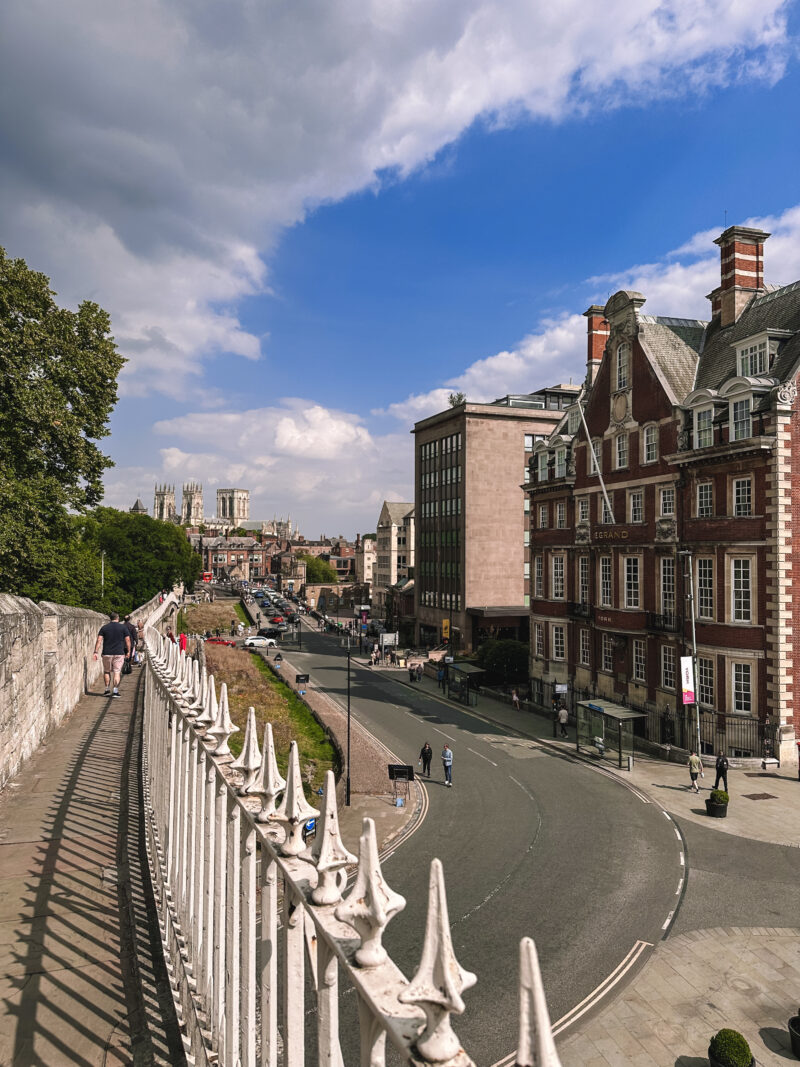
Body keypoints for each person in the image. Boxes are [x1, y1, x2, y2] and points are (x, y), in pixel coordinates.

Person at [93, 612, 131, 698]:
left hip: (106, 653)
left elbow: (99, 640)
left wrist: (95, 651)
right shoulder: (123, 628)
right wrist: (128, 651)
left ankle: (106, 690)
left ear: (110, 618)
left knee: (107, 671)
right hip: (119, 653)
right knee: (117, 672)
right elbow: (128, 640)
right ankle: (115, 691)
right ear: (118, 618)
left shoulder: (104, 628)